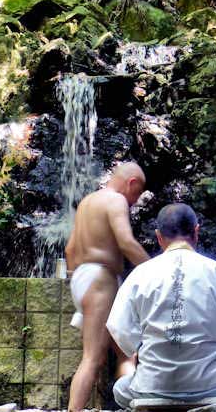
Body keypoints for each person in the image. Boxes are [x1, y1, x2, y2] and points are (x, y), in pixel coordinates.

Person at [107, 203, 216, 407]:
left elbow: (122, 334)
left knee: (120, 389)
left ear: (158, 236)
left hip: (153, 387)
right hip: (212, 383)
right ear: (196, 231)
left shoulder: (139, 275)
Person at [65, 162, 151, 412]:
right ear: (131, 183)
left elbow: (70, 248)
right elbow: (126, 242)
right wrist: (157, 268)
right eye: (137, 194)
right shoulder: (116, 201)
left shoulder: (87, 202)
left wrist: (80, 283)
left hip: (81, 278)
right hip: (101, 280)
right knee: (92, 358)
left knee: (125, 351)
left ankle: (134, 405)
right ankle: (74, 410)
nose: (135, 202)